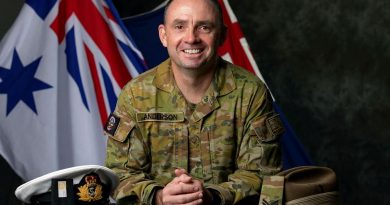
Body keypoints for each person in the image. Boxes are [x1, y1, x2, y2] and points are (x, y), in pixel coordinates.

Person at [104, 0, 283, 204]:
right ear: (164, 35)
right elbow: (119, 174)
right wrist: (159, 197)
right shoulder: (135, 95)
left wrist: (211, 197)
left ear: (222, 35)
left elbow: (264, 175)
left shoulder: (250, 93)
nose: (191, 38)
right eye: (180, 26)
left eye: (204, 27)